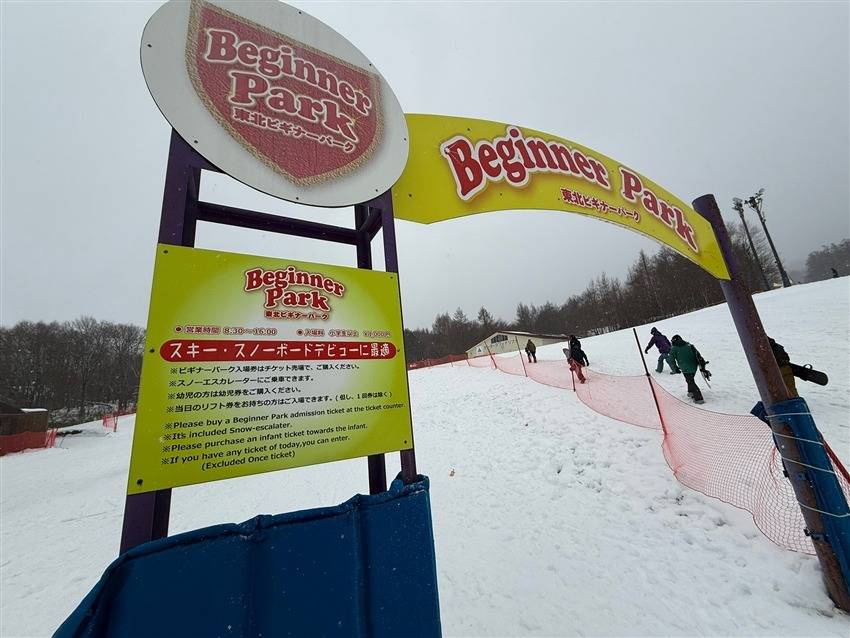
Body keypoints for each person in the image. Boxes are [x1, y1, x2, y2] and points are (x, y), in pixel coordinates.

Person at [668, 335, 709, 404]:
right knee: (690, 379)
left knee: (690, 381)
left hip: (685, 368)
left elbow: (671, 360)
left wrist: (675, 369)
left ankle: (699, 398)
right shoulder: (689, 345)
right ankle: (690, 392)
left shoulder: (674, 348)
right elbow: (698, 354)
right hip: (694, 366)